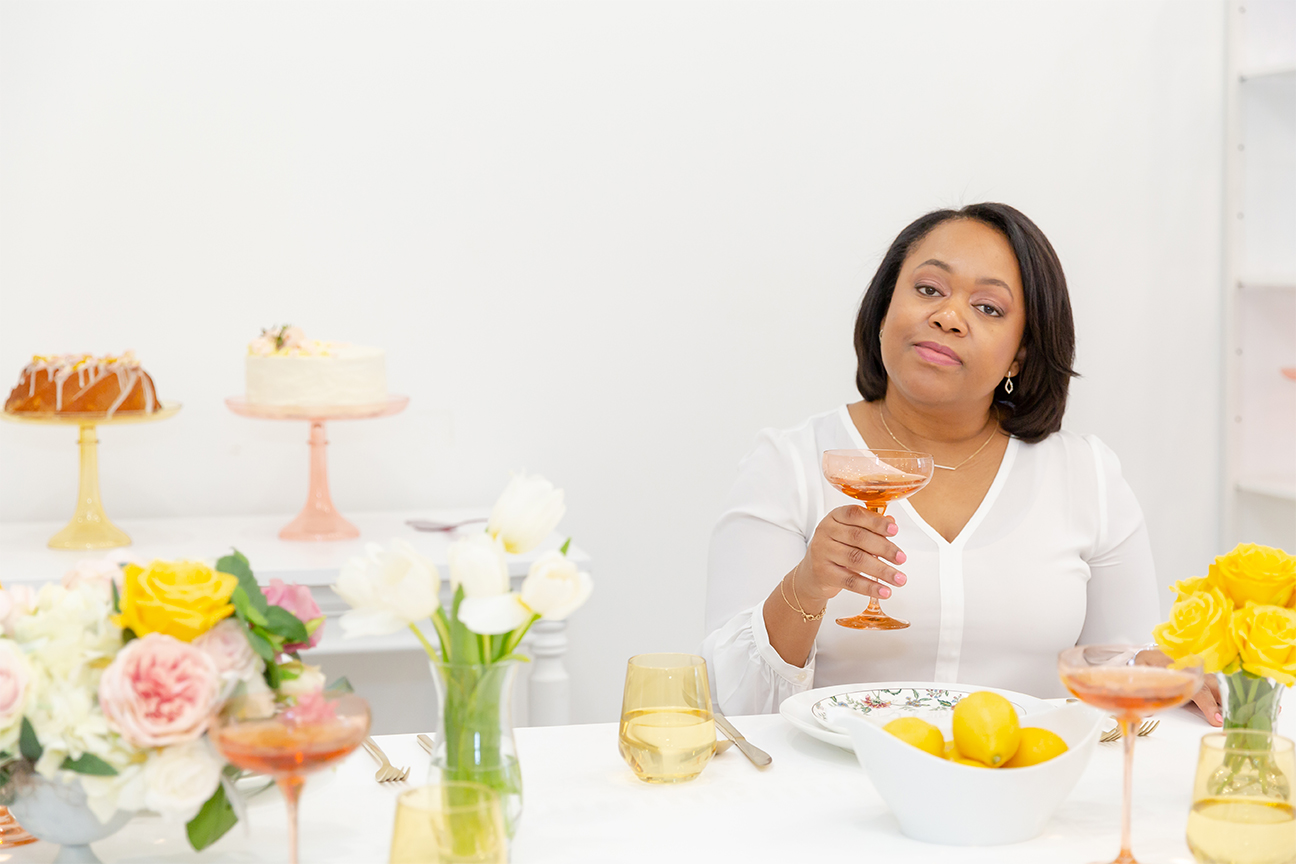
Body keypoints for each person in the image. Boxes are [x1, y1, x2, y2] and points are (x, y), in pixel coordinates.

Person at [702, 203, 1221, 723]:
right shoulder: (788, 463)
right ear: (885, 308)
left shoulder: (1089, 476)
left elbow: (1123, 678)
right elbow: (735, 707)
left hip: (1021, 786)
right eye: (929, 289)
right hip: (833, 790)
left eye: (989, 308)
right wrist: (807, 586)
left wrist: (1165, 672)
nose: (948, 317)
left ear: (1019, 355)